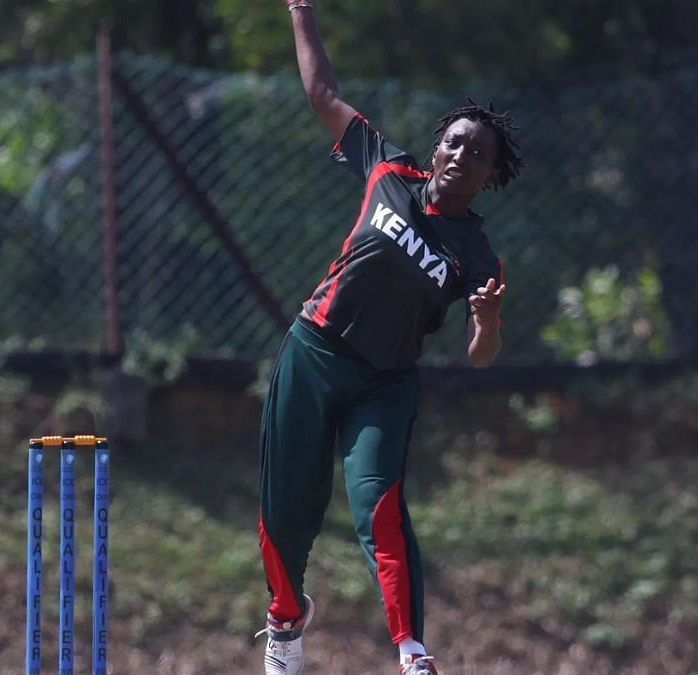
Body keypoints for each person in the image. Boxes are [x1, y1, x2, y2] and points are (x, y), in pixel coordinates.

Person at [256, 3, 524, 674]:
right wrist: (300, 10)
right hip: (314, 352)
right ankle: (286, 623)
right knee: (284, 510)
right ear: (437, 148)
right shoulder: (387, 170)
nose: (462, 154)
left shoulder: (478, 255)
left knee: (377, 506)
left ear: (491, 175)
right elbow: (322, 93)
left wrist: (487, 320)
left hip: (384, 383)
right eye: (455, 141)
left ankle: (411, 651)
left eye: (478, 153)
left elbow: (479, 353)